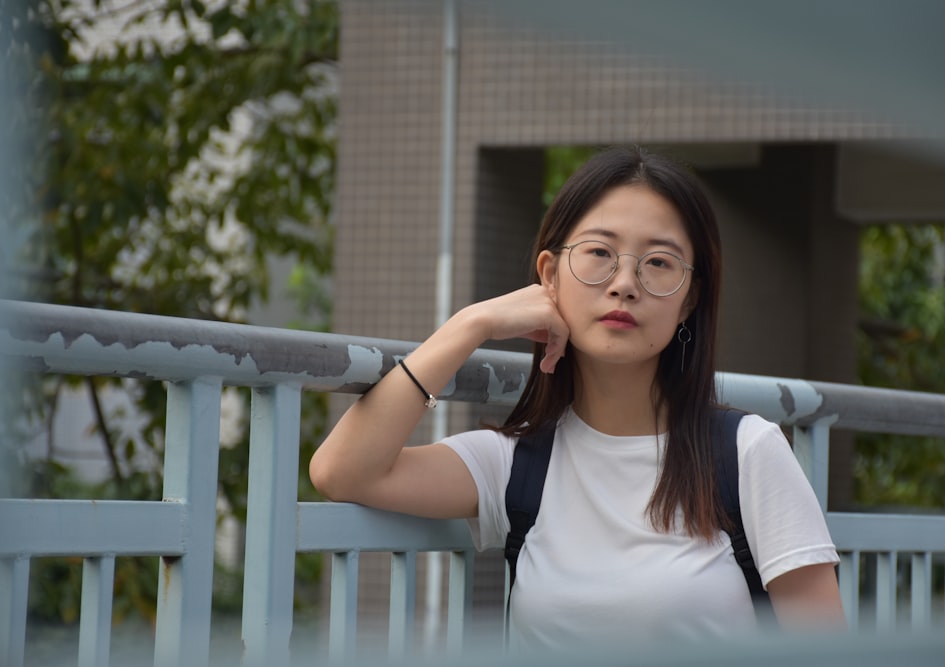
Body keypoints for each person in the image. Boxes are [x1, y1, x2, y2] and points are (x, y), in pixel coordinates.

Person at [310, 146, 845, 650]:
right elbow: (343, 472)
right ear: (550, 275)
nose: (625, 283)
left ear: (690, 300)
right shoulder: (515, 465)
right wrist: (472, 323)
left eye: (659, 263)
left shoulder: (746, 453)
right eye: (599, 253)